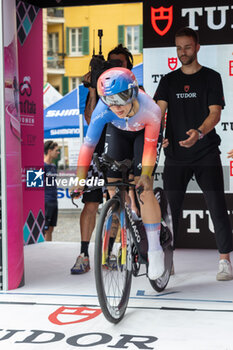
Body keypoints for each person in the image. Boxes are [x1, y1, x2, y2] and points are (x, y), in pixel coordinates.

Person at [154, 27, 233, 281]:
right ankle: (168, 260)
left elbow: (215, 114)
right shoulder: (168, 80)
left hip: (206, 152)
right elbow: (157, 113)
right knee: (169, 212)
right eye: (179, 48)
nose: (183, 52)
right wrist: (158, 135)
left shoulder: (211, 77)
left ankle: (224, 261)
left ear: (197, 47)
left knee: (217, 207)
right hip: (176, 156)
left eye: (187, 47)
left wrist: (199, 132)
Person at [73, 67, 164, 280]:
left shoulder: (151, 110)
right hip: (119, 133)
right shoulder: (104, 110)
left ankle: (155, 249)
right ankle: (126, 216)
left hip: (144, 133)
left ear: (133, 91)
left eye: (122, 98)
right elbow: (88, 146)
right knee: (113, 184)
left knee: (144, 187)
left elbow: (150, 149)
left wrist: (145, 174)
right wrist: (79, 180)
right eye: (109, 100)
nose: (116, 106)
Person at [70, 44, 135, 274]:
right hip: (96, 151)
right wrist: (92, 87)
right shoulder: (100, 88)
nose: (115, 67)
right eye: (111, 63)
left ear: (128, 67)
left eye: (120, 64)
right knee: (90, 201)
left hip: (119, 150)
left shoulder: (133, 89)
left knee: (116, 201)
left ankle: (108, 253)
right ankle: (84, 254)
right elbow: (90, 119)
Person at [44, 140, 60, 241]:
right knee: (44, 229)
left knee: (51, 229)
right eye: (56, 150)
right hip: (46, 201)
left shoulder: (53, 166)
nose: (58, 152)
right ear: (49, 151)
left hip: (54, 200)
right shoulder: (41, 166)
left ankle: (48, 248)